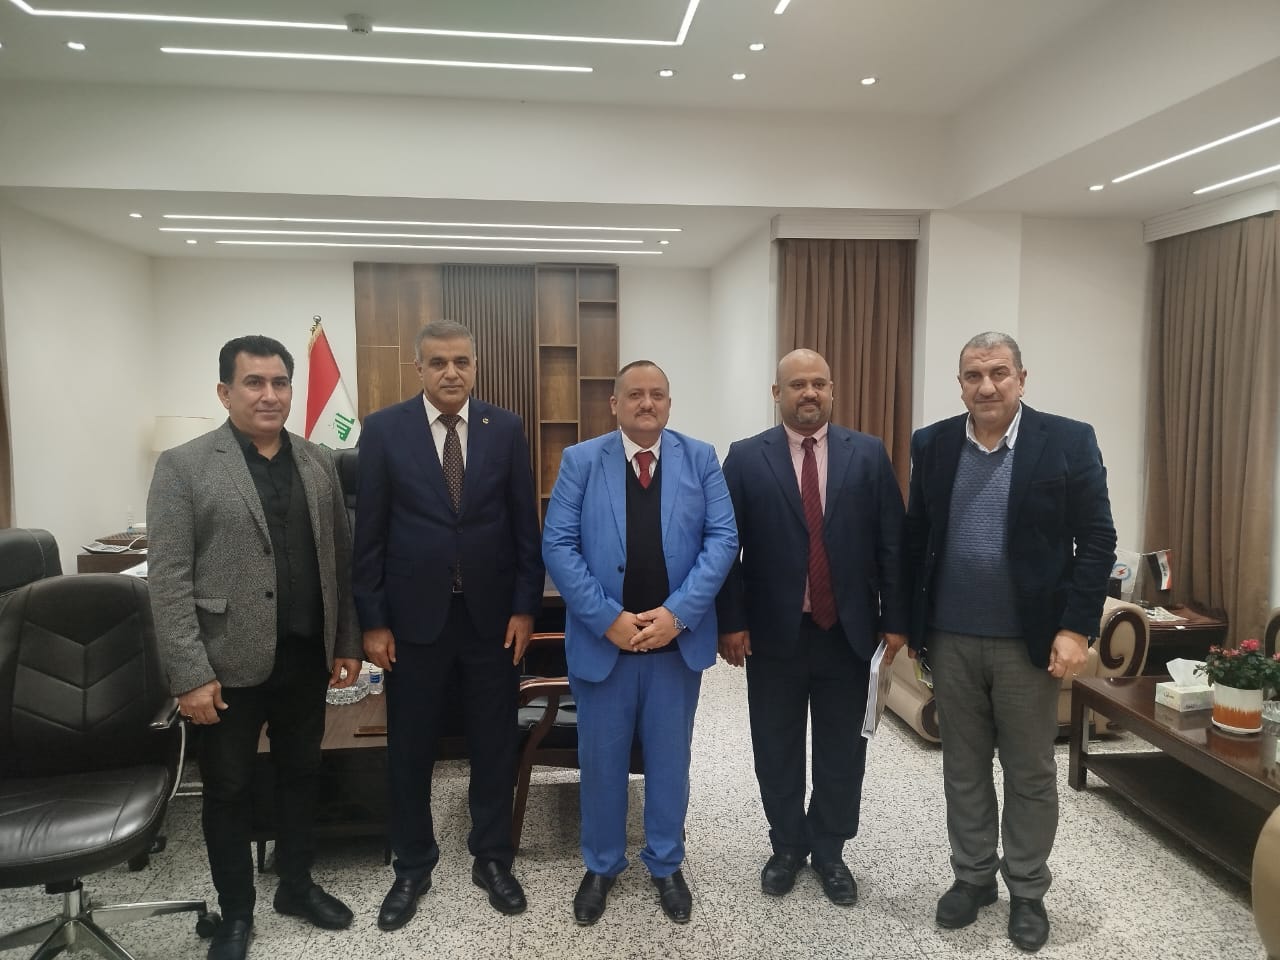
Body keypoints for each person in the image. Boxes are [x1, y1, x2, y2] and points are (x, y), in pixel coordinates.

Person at [148, 335, 361, 960]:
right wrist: (189, 674)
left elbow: (339, 561)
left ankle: (295, 885)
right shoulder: (183, 466)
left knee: (301, 776)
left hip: (305, 657)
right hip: (223, 666)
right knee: (229, 790)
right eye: (254, 383)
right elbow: (168, 579)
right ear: (225, 392)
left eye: (280, 383)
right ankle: (236, 912)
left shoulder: (319, 460)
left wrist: (346, 640)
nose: (270, 395)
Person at [904, 331, 1116, 953]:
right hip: (950, 639)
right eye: (974, 375)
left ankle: (1026, 888)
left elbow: (1097, 540)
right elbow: (917, 537)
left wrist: (1076, 627)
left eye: (999, 372)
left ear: (1022, 379)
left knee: (1029, 771)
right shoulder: (933, 444)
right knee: (963, 767)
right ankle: (973, 878)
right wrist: (910, 626)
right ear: (960, 385)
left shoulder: (1067, 441)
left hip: (1030, 644)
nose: (987, 385)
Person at [353, 320, 544, 930]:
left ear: (475, 366)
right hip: (413, 621)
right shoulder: (384, 429)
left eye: (461, 361)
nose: (451, 372)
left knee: (494, 741)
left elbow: (525, 526)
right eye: (438, 362)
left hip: (492, 619)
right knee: (410, 747)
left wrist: (525, 607)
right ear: (419, 369)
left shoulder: (504, 428)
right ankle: (412, 864)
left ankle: (492, 857)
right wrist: (373, 621)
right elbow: (369, 533)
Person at [542, 360, 737, 926]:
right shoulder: (581, 461)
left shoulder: (700, 458)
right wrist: (608, 619)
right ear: (615, 404)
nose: (646, 404)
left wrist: (678, 615)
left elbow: (723, 539)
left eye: (657, 394)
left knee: (670, 763)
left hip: (675, 647)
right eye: (634, 395)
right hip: (607, 645)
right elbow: (558, 545)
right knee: (601, 762)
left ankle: (666, 863)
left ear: (669, 403)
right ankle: (601, 865)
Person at [715, 348, 908, 906]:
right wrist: (731, 622)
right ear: (777, 393)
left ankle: (829, 849)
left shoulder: (867, 454)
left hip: (848, 634)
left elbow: (892, 544)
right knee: (775, 745)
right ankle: (786, 846)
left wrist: (895, 620)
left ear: (832, 390)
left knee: (843, 748)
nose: (809, 393)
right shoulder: (746, 458)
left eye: (819, 383)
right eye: (797, 384)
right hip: (773, 634)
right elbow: (725, 548)